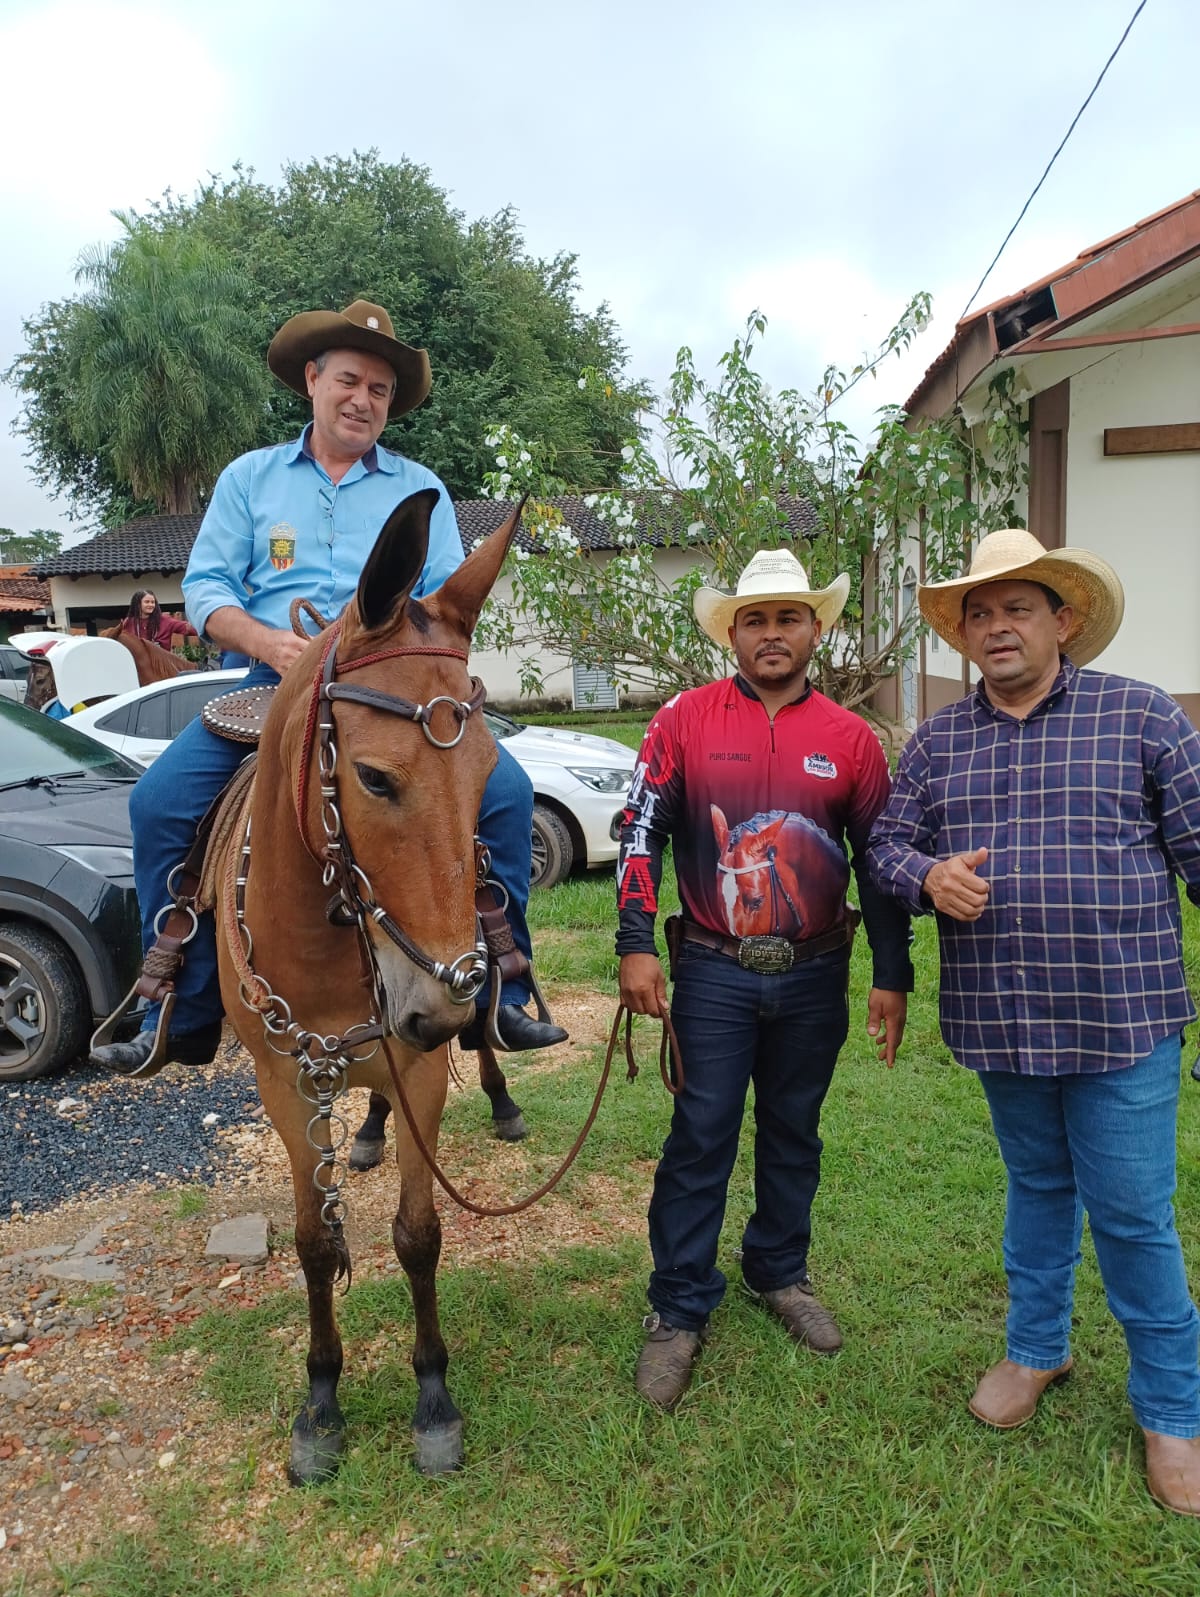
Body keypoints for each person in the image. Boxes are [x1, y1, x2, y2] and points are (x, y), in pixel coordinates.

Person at [91, 298, 565, 1078]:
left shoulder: (422, 488)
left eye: (379, 390)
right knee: (160, 803)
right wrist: (268, 640)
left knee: (507, 795)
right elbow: (207, 590)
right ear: (313, 380)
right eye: (349, 381)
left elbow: (444, 601)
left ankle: (501, 992)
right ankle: (177, 1003)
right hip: (268, 681)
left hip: (387, 687)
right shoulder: (251, 478)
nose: (363, 400)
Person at [866, 528, 1200, 1517]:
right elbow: (885, 848)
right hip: (1004, 1020)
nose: (996, 624)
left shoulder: (1141, 717)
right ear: (964, 635)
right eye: (979, 610)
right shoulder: (936, 741)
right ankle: (1037, 1351)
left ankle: (1174, 1411)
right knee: (1037, 1187)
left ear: (1065, 620)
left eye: (1018, 606)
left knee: (1134, 1212)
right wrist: (925, 874)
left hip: (1122, 1017)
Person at [617, 549, 912, 1411]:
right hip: (712, 968)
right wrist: (637, 943)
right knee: (700, 1132)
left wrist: (890, 974)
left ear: (816, 629)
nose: (773, 633)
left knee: (795, 1127)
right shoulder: (683, 721)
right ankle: (678, 1306)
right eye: (756, 619)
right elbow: (642, 831)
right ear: (732, 633)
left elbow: (880, 862)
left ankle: (779, 1271)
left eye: (789, 618)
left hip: (819, 970)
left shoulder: (852, 739)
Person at [120, 589, 197, 652]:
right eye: (147, 602)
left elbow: (187, 628)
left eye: (153, 602)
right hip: (137, 664)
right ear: (138, 604)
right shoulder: (128, 622)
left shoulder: (164, 620)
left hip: (162, 665)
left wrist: (204, 626)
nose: (151, 605)